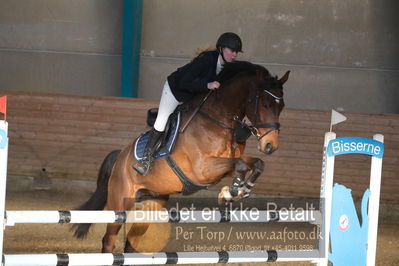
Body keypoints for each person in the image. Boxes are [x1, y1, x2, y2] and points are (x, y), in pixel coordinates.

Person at [133, 32, 243, 176]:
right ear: (221, 49)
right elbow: (184, 82)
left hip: (194, 95)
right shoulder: (205, 60)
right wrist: (208, 85)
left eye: (236, 52)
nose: (234, 55)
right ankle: (146, 160)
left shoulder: (228, 69)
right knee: (162, 120)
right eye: (231, 51)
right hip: (175, 90)